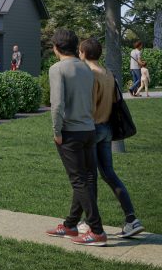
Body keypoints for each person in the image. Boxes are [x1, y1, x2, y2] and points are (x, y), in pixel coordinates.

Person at [45, 28, 106, 246]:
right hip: (89, 130)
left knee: (79, 181)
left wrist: (56, 131)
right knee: (87, 179)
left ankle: (97, 231)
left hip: (70, 133)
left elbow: (57, 104)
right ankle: (70, 225)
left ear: (56, 48)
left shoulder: (57, 69)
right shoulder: (86, 68)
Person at [78, 37, 144, 238]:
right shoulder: (108, 73)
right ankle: (131, 218)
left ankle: (90, 223)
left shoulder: (89, 74)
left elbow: (89, 106)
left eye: (80, 51)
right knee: (109, 174)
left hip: (93, 128)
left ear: (84, 53)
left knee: (89, 178)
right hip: (107, 128)